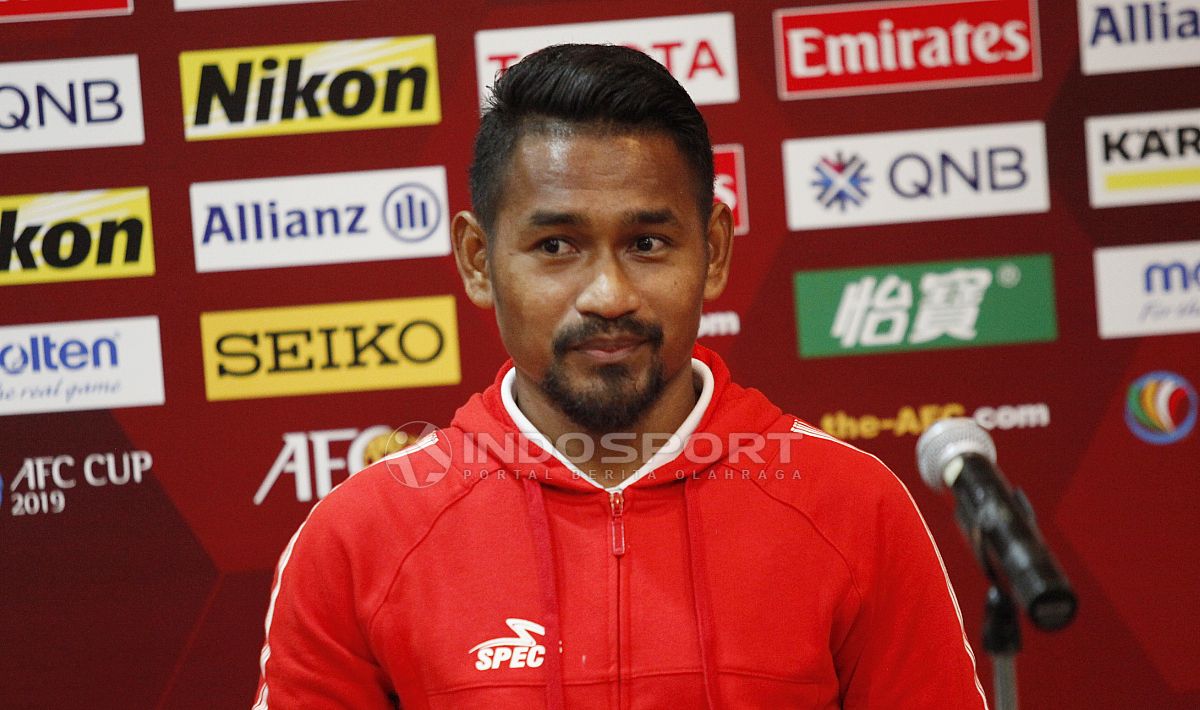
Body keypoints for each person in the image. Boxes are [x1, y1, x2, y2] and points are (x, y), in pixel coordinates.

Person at [252, 44, 987, 709]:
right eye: (556, 245)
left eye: (647, 242)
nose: (608, 294)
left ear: (715, 249)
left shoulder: (853, 509)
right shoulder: (359, 539)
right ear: (479, 260)